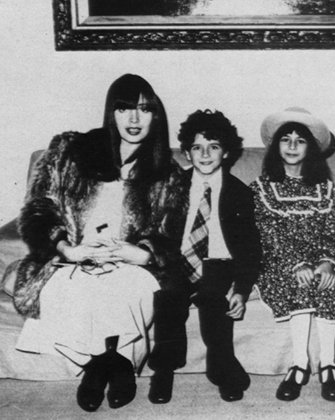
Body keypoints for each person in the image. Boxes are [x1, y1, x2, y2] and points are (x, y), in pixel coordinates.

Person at [12, 74, 187, 412]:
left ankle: (98, 368)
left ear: (156, 117)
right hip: (71, 258)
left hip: (129, 263)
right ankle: (115, 364)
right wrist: (67, 248)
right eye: (124, 109)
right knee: (74, 289)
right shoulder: (71, 152)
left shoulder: (168, 174)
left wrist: (141, 253)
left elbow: (172, 237)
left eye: (144, 110)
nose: (134, 119)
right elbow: (39, 209)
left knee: (128, 285)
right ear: (111, 113)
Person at [147, 109, 261, 404]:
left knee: (214, 303)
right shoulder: (172, 186)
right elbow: (156, 231)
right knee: (168, 298)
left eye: (214, 147)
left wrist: (242, 288)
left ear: (226, 152)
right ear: (186, 153)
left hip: (219, 264)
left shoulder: (240, 193)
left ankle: (221, 367)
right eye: (197, 147)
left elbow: (250, 247)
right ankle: (164, 371)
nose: (206, 154)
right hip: (178, 261)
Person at [250, 107, 335, 402]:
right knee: (301, 282)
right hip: (280, 262)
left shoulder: (325, 189)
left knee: (328, 282)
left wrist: (329, 262)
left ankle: (328, 364)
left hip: (320, 260)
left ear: (311, 148)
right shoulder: (262, 188)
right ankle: (299, 364)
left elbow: (334, 230)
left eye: (300, 141)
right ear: (275, 146)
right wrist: (296, 263)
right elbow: (268, 234)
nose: (292, 146)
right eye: (286, 139)